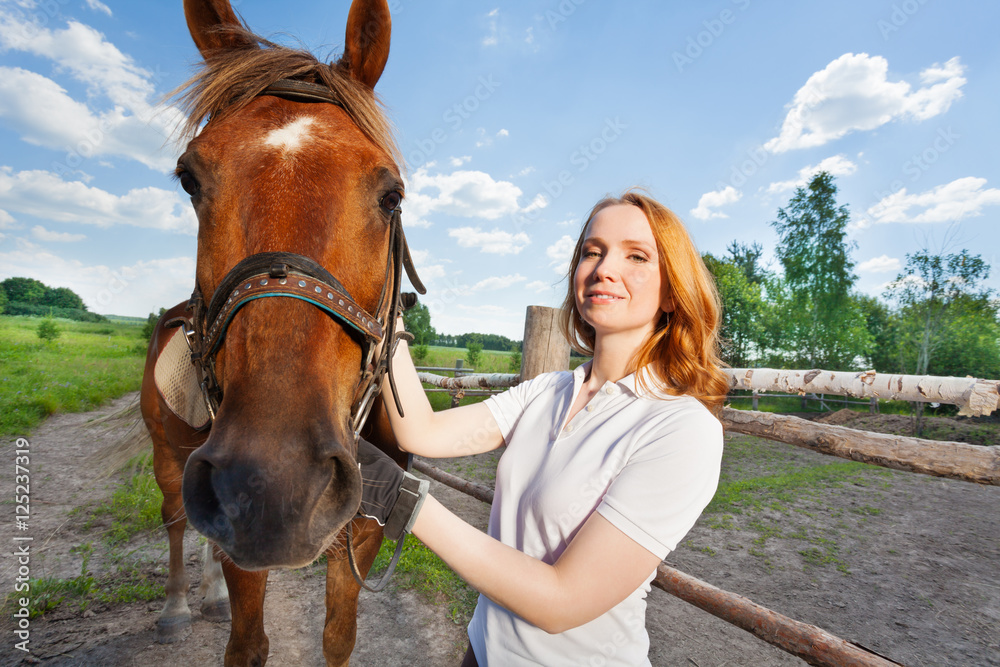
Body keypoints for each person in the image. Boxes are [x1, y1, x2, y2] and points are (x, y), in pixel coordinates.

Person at [359, 189, 729, 666]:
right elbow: (422, 432)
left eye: (636, 255)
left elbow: (562, 601)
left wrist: (402, 499)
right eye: (592, 252)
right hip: (482, 651)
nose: (603, 269)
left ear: (673, 294)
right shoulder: (548, 391)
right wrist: (386, 309)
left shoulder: (681, 430)